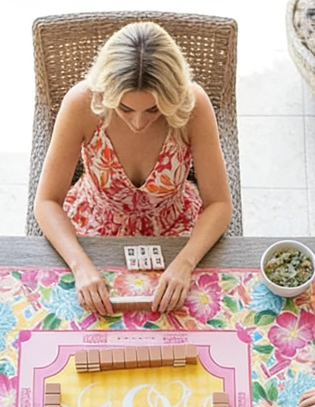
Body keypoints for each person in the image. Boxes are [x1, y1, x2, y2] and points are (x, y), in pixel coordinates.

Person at [34, 21, 232, 316]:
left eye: (153, 109)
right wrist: (80, 265)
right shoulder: (81, 103)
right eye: (125, 109)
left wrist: (185, 262)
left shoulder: (194, 106)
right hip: (90, 235)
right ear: (105, 96)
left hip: (177, 235)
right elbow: (46, 202)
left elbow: (219, 203)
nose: (139, 123)